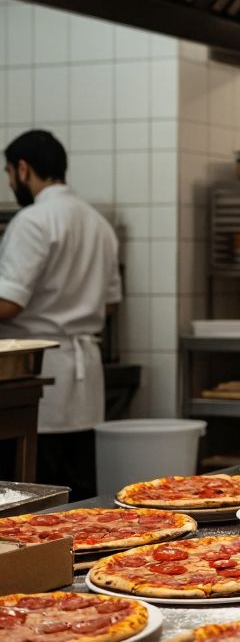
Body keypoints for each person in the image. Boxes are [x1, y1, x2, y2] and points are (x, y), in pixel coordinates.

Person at [0, 129, 121, 499]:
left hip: (40, 371)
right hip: (85, 369)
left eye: (7, 173)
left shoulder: (33, 221)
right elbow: (111, 302)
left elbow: (8, 304)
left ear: (23, 169)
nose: (9, 182)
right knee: (79, 492)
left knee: (35, 494)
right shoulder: (97, 222)